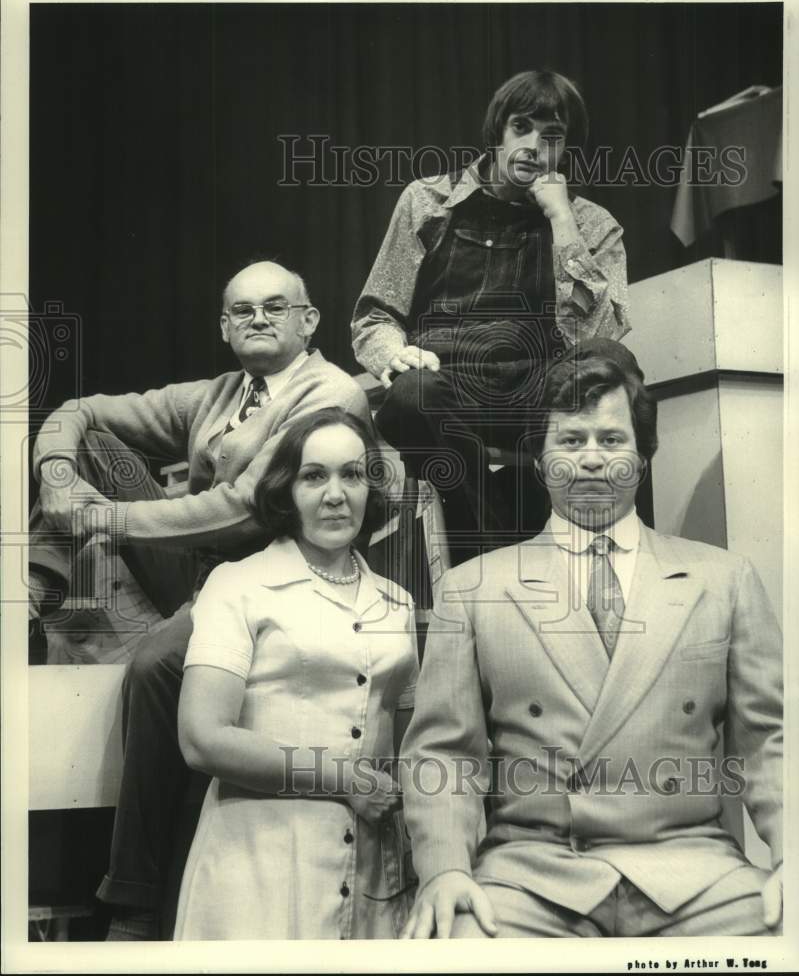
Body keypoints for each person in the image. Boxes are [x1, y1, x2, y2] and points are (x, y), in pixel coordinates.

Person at [29, 260, 372, 938]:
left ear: (310, 321)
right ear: (223, 326)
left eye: (277, 307)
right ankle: (31, 590)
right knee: (93, 445)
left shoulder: (328, 392)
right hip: (196, 570)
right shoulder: (218, 393)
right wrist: (59, 476)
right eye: (242, 311)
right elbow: (82, 410)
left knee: (157, 664)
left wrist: (104, 519)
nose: (259, 319)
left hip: (277, 574)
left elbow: (244, 511)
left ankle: (133, 896)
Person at [398, 339, 782, 938]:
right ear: (539, 459)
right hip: (531, 877)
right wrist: (444, 870)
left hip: (695, 874)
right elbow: (443, 755)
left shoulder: (724, 580)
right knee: (456, 941)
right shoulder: (473, 588)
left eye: (612, 440)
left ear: (643, 456)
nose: (593, 460)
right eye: (571, 442)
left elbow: (772, 740)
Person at [352, 71, 630, 561]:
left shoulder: (591, 223)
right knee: (412, 396)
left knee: (613, 369)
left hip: (540, 395)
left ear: (565, 151)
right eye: (520, 127)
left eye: (551, 137)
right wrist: (393, 355)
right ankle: (496, 552)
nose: (531, 146)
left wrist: (561, 221)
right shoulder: (427, 201)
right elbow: (375, 315)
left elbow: (599, 338)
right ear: (497, 130)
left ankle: (611, 560)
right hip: (447, 387)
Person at [172, 407, 418, 940]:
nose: (336, 494)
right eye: (314, 476)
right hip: (258, 867)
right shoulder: (237, 584)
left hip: (376, 873)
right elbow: (201, 738)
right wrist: (343, 778)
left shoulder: (397, 603)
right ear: (286, 490)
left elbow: (411, 744)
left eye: (352, 474)